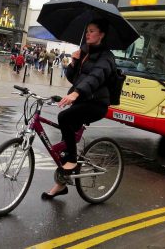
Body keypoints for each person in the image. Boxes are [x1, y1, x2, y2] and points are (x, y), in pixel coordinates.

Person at [41, 19, 115, 200]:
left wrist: (76, 93)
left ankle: (73, 161)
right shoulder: (84, 53)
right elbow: (74, 78)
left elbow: (97, 76)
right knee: (67, 142)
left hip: (96, 104)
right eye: (87, 31)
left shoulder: (107, 57)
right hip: (82, 100)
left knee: (65, 118)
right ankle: (61, 185)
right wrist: (73, 62)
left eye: (92, 31)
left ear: (101, 34)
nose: (88, 34)